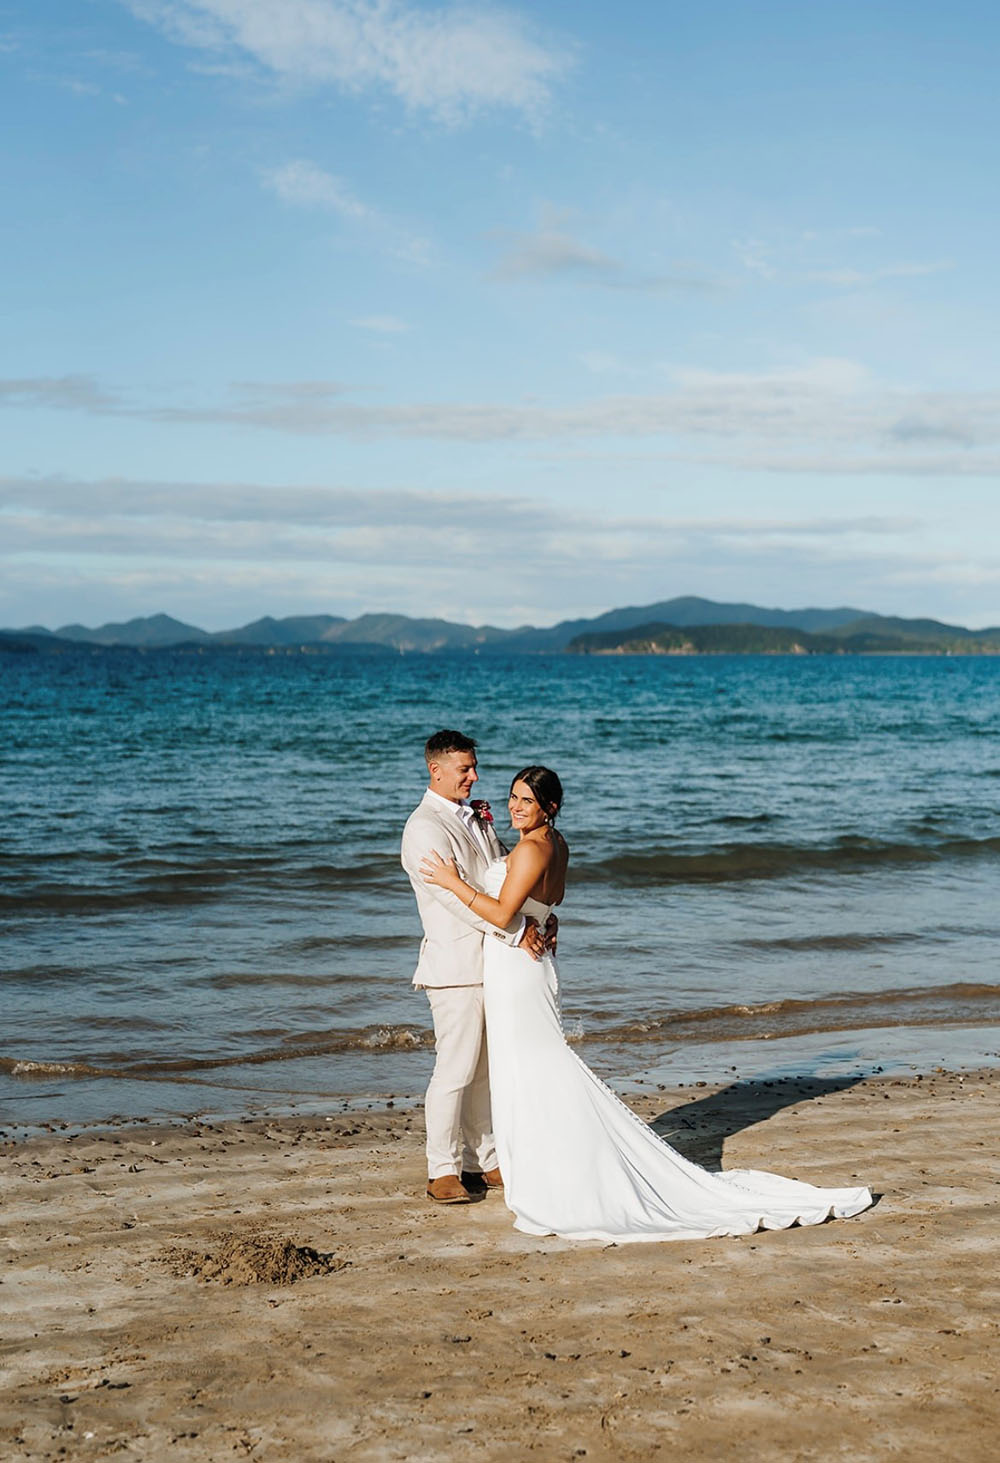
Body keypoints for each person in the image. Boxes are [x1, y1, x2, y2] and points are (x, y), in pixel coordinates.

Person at [421, 765, 873, 1243]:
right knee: (533, 1064)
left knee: (532, 1066)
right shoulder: (556, 843)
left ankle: (557, 1167)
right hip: (528, 965)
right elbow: (549, 902)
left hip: (517, 969)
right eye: (513, 797)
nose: (515, 807)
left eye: (526, 801)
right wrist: (544, 918)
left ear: (549, 807)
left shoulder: (533, 848)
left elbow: (500, 913)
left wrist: (452, 882)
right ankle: (542, 1159)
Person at [400, 730, 554, 1205]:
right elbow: (453, 899)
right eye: (465, 768)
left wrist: (540, 915)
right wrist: (516, 930)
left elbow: (502, 878)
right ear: (436, 770)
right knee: (455, 1070)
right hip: (455, 967)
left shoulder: (477, 816)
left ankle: (482, 1160)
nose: (475, 776)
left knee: (485, 1070)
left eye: (474, 766)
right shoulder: (423, 828)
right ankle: (442, 1170)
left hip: (494, 963)